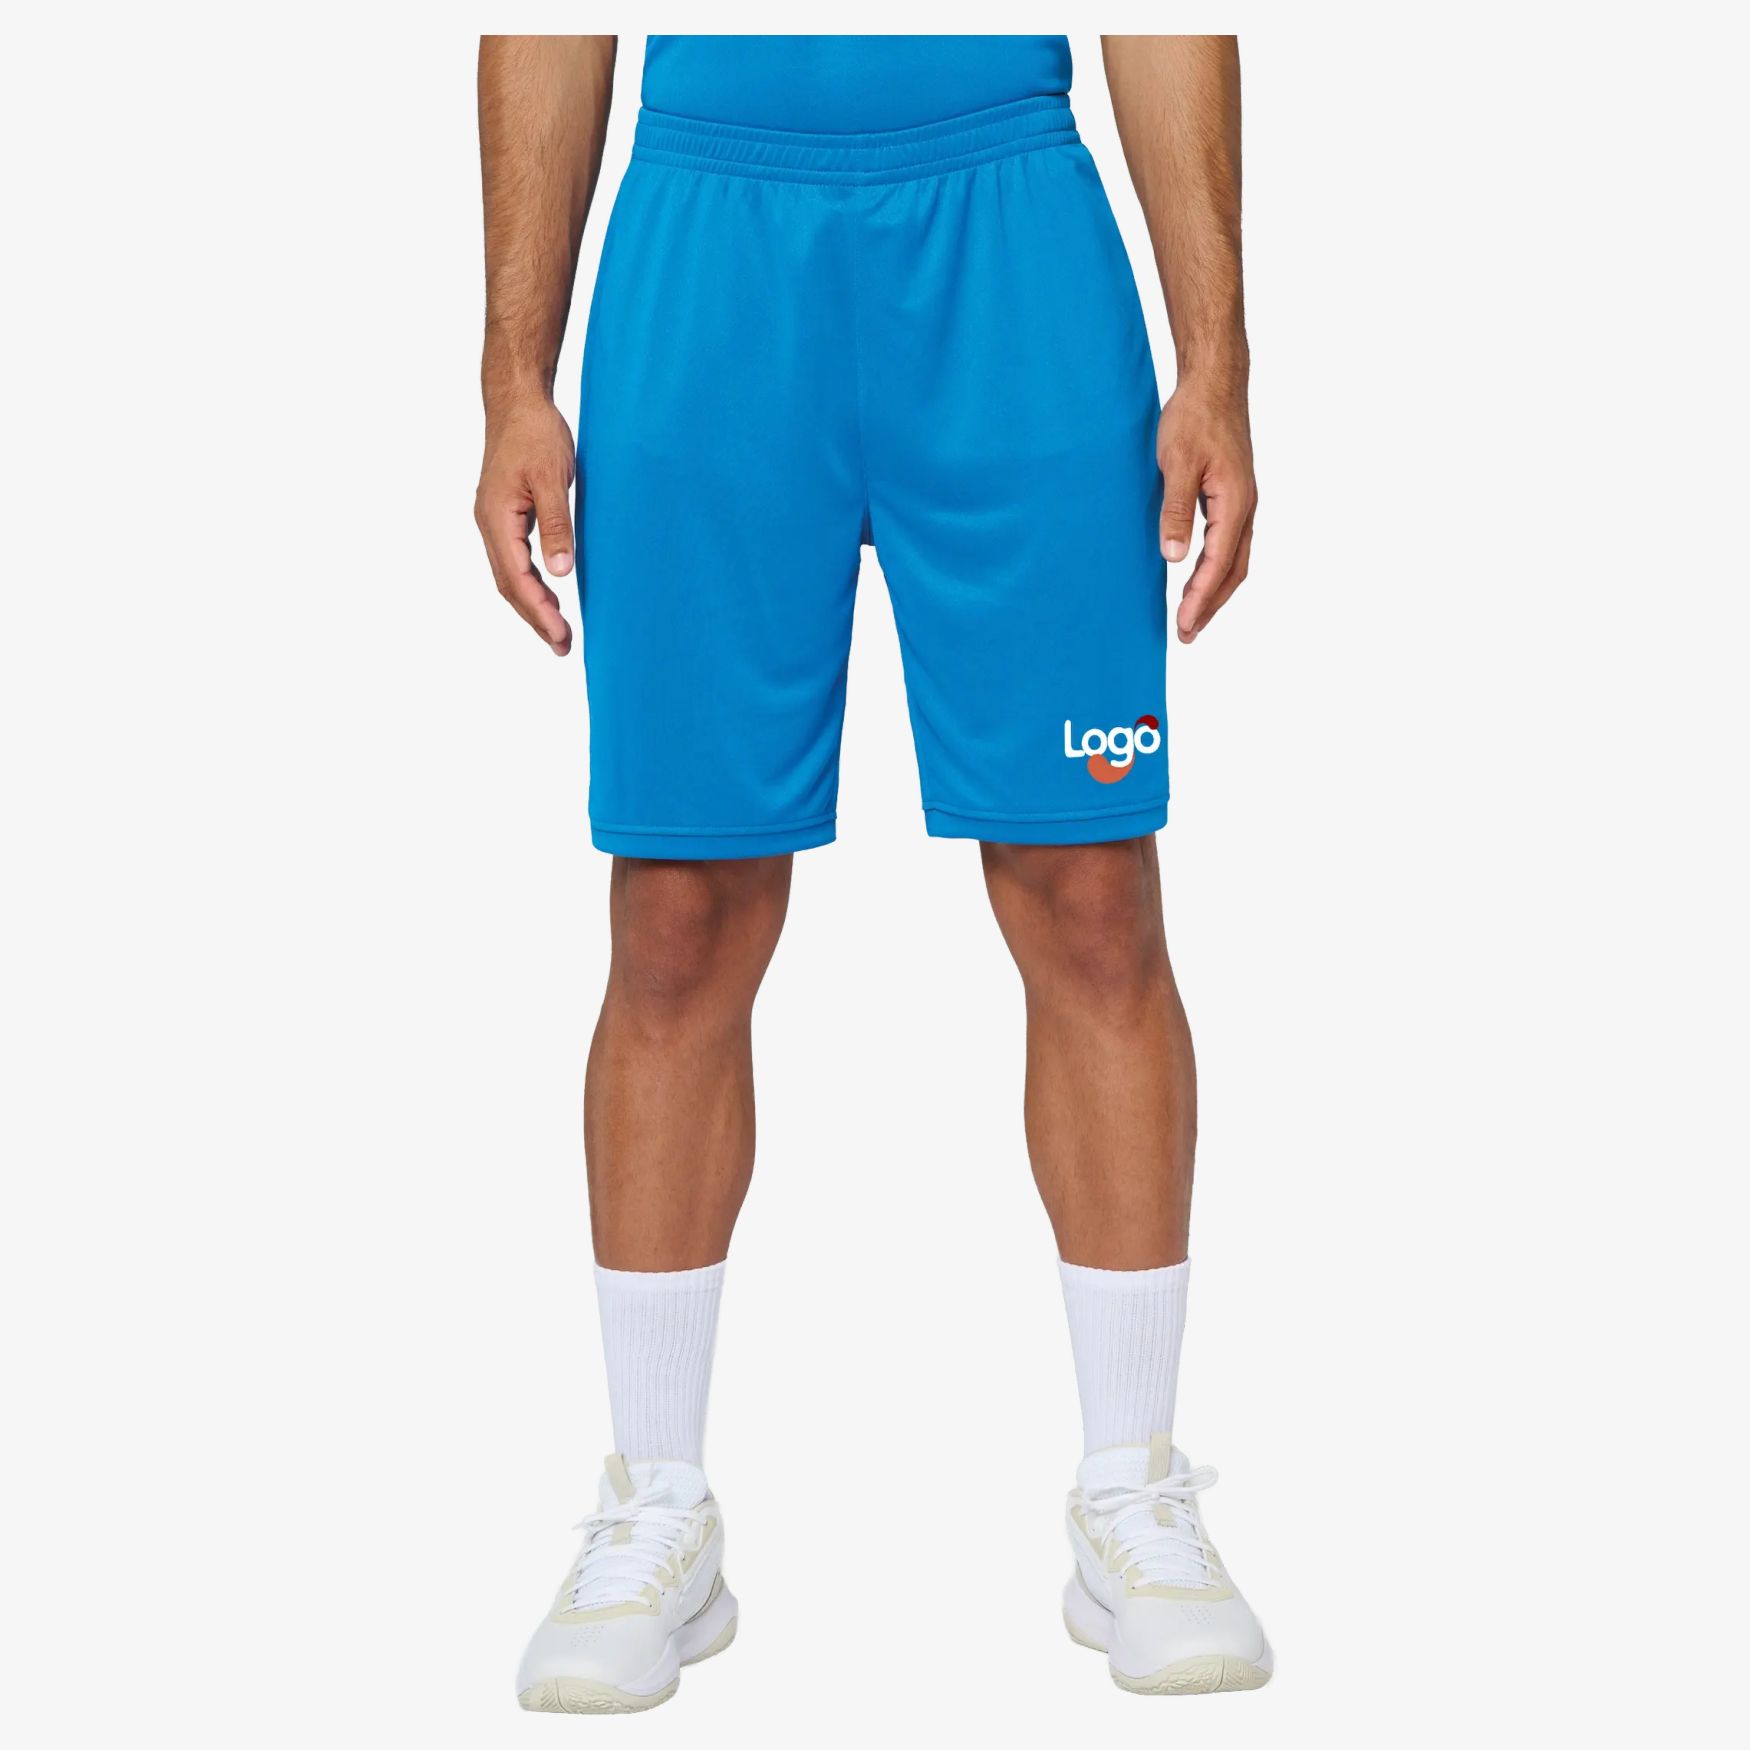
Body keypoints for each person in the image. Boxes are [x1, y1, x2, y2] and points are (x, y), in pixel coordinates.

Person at [475, 34, 1264, 1711]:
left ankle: (1131, 1492)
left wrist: (1216, 359)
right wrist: (511, 379)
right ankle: (656, 1505)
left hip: (1011, 231)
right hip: (707, 229)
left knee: (1089, 891)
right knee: (678, 913)